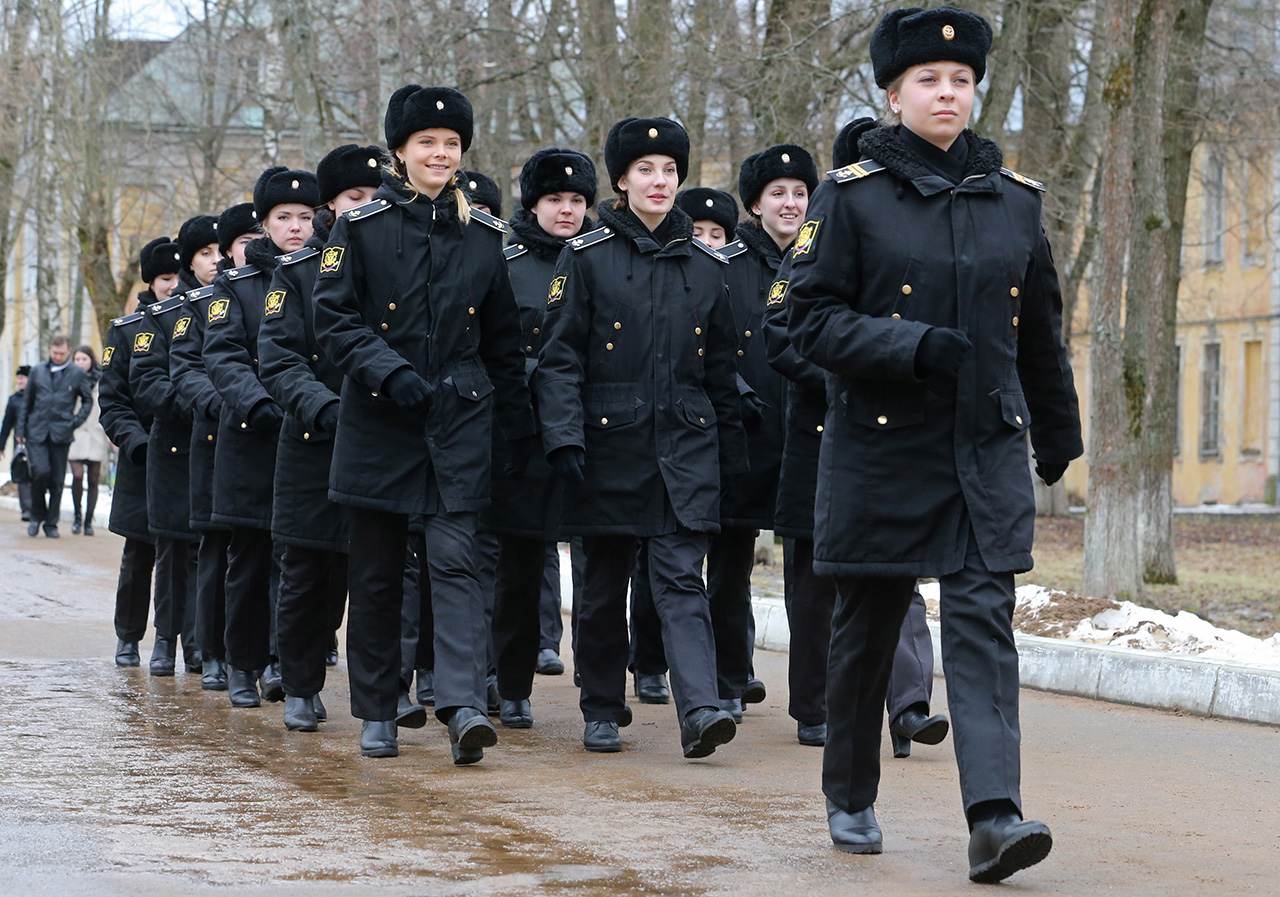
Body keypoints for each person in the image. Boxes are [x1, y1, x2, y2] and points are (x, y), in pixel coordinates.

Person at [784, 7, 1082, 881]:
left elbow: (1041, 334)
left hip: (983, 447)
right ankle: (848, 788)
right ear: (893, 92)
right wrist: (907, 345)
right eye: (929, 80)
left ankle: (995, 815)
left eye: (961, 81)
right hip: (882, 448)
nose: (948, 92)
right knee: (868, 630)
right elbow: (807, 321)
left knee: (984, 628)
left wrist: (1058, 431)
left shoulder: (1015, 203)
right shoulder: (853, 193)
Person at [313, 85, 534, 762]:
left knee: (457, 564)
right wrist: (387, 369)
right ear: (400, 153)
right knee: (377, 572)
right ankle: (378, 707)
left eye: (451, 144)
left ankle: (464, 705)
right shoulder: (361, 227)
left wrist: (516, 429)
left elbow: (502, 343)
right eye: (427, 143)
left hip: (459, 422)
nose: (440, 154)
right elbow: (333, 318)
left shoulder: (486, 236)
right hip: (381, 421)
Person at [534, 116, 748, 757]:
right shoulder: (587, 258)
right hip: (607, 448)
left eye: (670, 171)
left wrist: (731, 455)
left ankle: (700, 710)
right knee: (601, 586)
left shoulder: (709, 268)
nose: (660, 181)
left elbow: (722, 373)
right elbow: (558, 357)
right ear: (622, 180)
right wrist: (564, 437)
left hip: (684, 449)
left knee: (682, 579)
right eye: (646, 170)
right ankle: (601, 707)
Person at [763, 118, 949, 754]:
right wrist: (855, 376)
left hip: (906, 438)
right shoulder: (806, 252)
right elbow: (785, 337)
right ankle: (818, 708)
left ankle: (909, 706)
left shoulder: (928, 250)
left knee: (904, 580)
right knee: (816, 589)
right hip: (825, 435)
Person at [260, 144, 385, 732]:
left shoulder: (394, 265)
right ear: (329, 207)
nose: (366, 207)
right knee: (308, 571)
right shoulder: (295, 274)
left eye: (372, 197)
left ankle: (382, 694)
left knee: (376, 574)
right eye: (353, 199)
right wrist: (326, 407)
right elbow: (279, 359)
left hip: (380, 441)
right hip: (315, 442)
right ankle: (301, 683)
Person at [485, 146, 597, 728]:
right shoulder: (505, 263)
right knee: (520, 567)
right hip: (521, 434)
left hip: (591, 429)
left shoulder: (600, 259)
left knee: (598, 562)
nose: (567, 210)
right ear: (534, 203)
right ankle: (511, 680)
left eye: (577, 200)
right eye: (555, 199)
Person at [205, 168, 319, 708]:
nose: (296, 227)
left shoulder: (326, 275)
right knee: (248, 559)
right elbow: (223, 357)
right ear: (265, 224)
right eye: (284, 218)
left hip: (308, 434)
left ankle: (289, 663)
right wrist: (263, 403)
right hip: (252, 438)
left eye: (304, 217)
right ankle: (242, 663)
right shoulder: (236, 285)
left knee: (299, 560)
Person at [171, 205, 256, 691]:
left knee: (264, 553)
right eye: (237, 241)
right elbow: (186, 370)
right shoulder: (200, 306)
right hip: (215, 438)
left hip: (267, 437)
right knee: (215, 551)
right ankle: (211, 650)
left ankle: (262, 654)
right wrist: (229, 405)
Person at [132, 222, 216, 677]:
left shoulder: (233, 302)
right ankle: (165, 639)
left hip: (223, 445)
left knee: (212, 551)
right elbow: (146, 380)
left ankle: (202, 640)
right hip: (175, 448)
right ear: (187, 260)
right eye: (206, 252)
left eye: (222, 250)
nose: (216, 259)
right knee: (172, 552)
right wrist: (198, 405)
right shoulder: (165, 314)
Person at [99, 237, 179, 665]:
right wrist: (138, 443)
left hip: (185, 457)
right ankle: (128, 636)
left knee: (186, 555)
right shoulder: (125, 331)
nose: (172, 285)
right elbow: (112, 401)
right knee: (139, 555)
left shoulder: (199, 318)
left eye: (177, 277)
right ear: (150, 281)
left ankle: (184, 640)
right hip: (143, 458)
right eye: (165, 277)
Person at [19, 334, 93, 537]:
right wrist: (20, 430)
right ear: (50, 350)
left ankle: (51, 524)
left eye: (61, 353)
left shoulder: (77, 373)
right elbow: (27, 402)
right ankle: (36, 517)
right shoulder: (37, 371)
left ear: (68, 351)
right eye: (55, 353)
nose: (58, 356)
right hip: (37, 431)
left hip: (61, 434)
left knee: (57, 481)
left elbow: (88, 401)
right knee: (39, 472)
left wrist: (75, 422)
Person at [66, 347, 109, 535]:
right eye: (77, 358)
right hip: (75, 433)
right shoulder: (68, 378)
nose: (80, 362)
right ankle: (77, 517)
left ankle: (88, 521)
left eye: (84, 358)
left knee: (93, 479)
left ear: (91, 360)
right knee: (77, 476)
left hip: (96, 433)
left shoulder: (103, 379)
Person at [1, 366, 34, 521]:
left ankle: (37, 507)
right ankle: (27, 509)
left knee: (38, 474)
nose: (20, 381)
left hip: (38, 441)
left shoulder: (37, 397)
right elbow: (7, 423)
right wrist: (1, 445)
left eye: (23, 378)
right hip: (20, 443)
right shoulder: (14, 399)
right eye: (18, 378)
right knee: (23, 475)